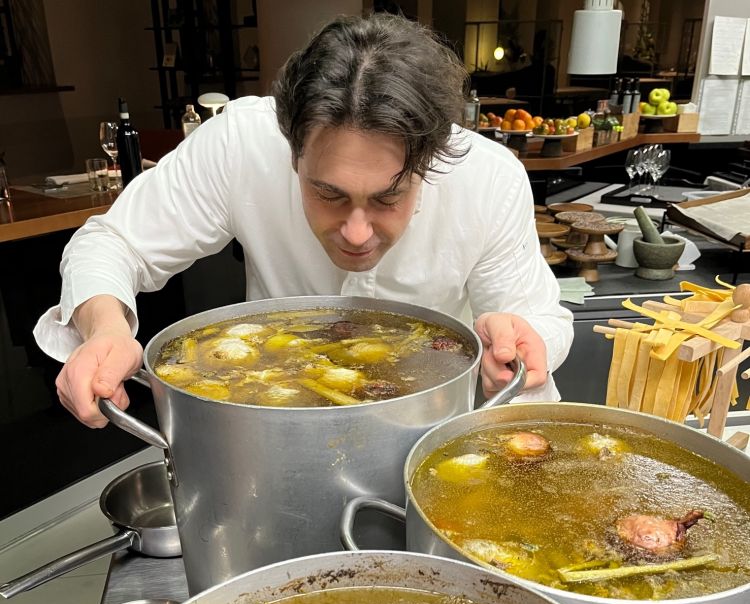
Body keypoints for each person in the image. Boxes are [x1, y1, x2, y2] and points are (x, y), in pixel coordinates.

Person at [34, 13, 573, 428]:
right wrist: (104, 330)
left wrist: (522, 340)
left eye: (388, 197)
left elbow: (537, 319)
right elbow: (112, 243)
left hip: (431, 429)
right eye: (327, 193)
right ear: (291, 148)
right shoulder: (242, 143)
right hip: (271, 417)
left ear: (430, 160)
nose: (357, 232)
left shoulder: (487, 178)